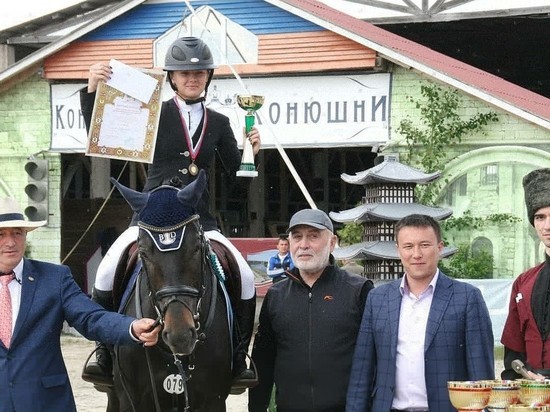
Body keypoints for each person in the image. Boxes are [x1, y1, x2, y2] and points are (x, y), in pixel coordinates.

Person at [79, 36, 261, 389]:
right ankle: (104, 353)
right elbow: (102, 132)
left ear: (208, 76)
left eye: (198, 72)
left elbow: (237, 180)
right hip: (151, 215)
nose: (191, 78)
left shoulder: (220, 122)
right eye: (183, 73)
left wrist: (253, 154)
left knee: (247, 277)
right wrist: (92, 88)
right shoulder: (151, 112)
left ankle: (239, 357)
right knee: (105, 271)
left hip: (199, 220)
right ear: (172, 78)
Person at [0, 197, 161, 412]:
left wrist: (131, 328)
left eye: (17, 233)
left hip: (45, 403)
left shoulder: (54, 278)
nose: (11, 242)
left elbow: (91, 318)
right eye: (1, 234)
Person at [346, 214, 494, 412]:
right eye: (408, 246)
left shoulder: (467, 297)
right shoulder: (378, 298)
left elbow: (481, 373)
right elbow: (362, 370)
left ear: (439, 248)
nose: (416, 254)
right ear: (398, 251)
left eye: (424, 245)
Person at [248, 209, 374, 412]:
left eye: (313, 236)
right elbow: (263, 361)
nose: (304, 245)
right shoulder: (277, 295)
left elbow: (375, 359)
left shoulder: (358, 290)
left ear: (332, 242)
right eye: (297, 237)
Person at [501, 168, 550, 380]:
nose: (547, 226)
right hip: (533, 397)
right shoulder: (524, 282)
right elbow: (513, 354)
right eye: (540, 217)